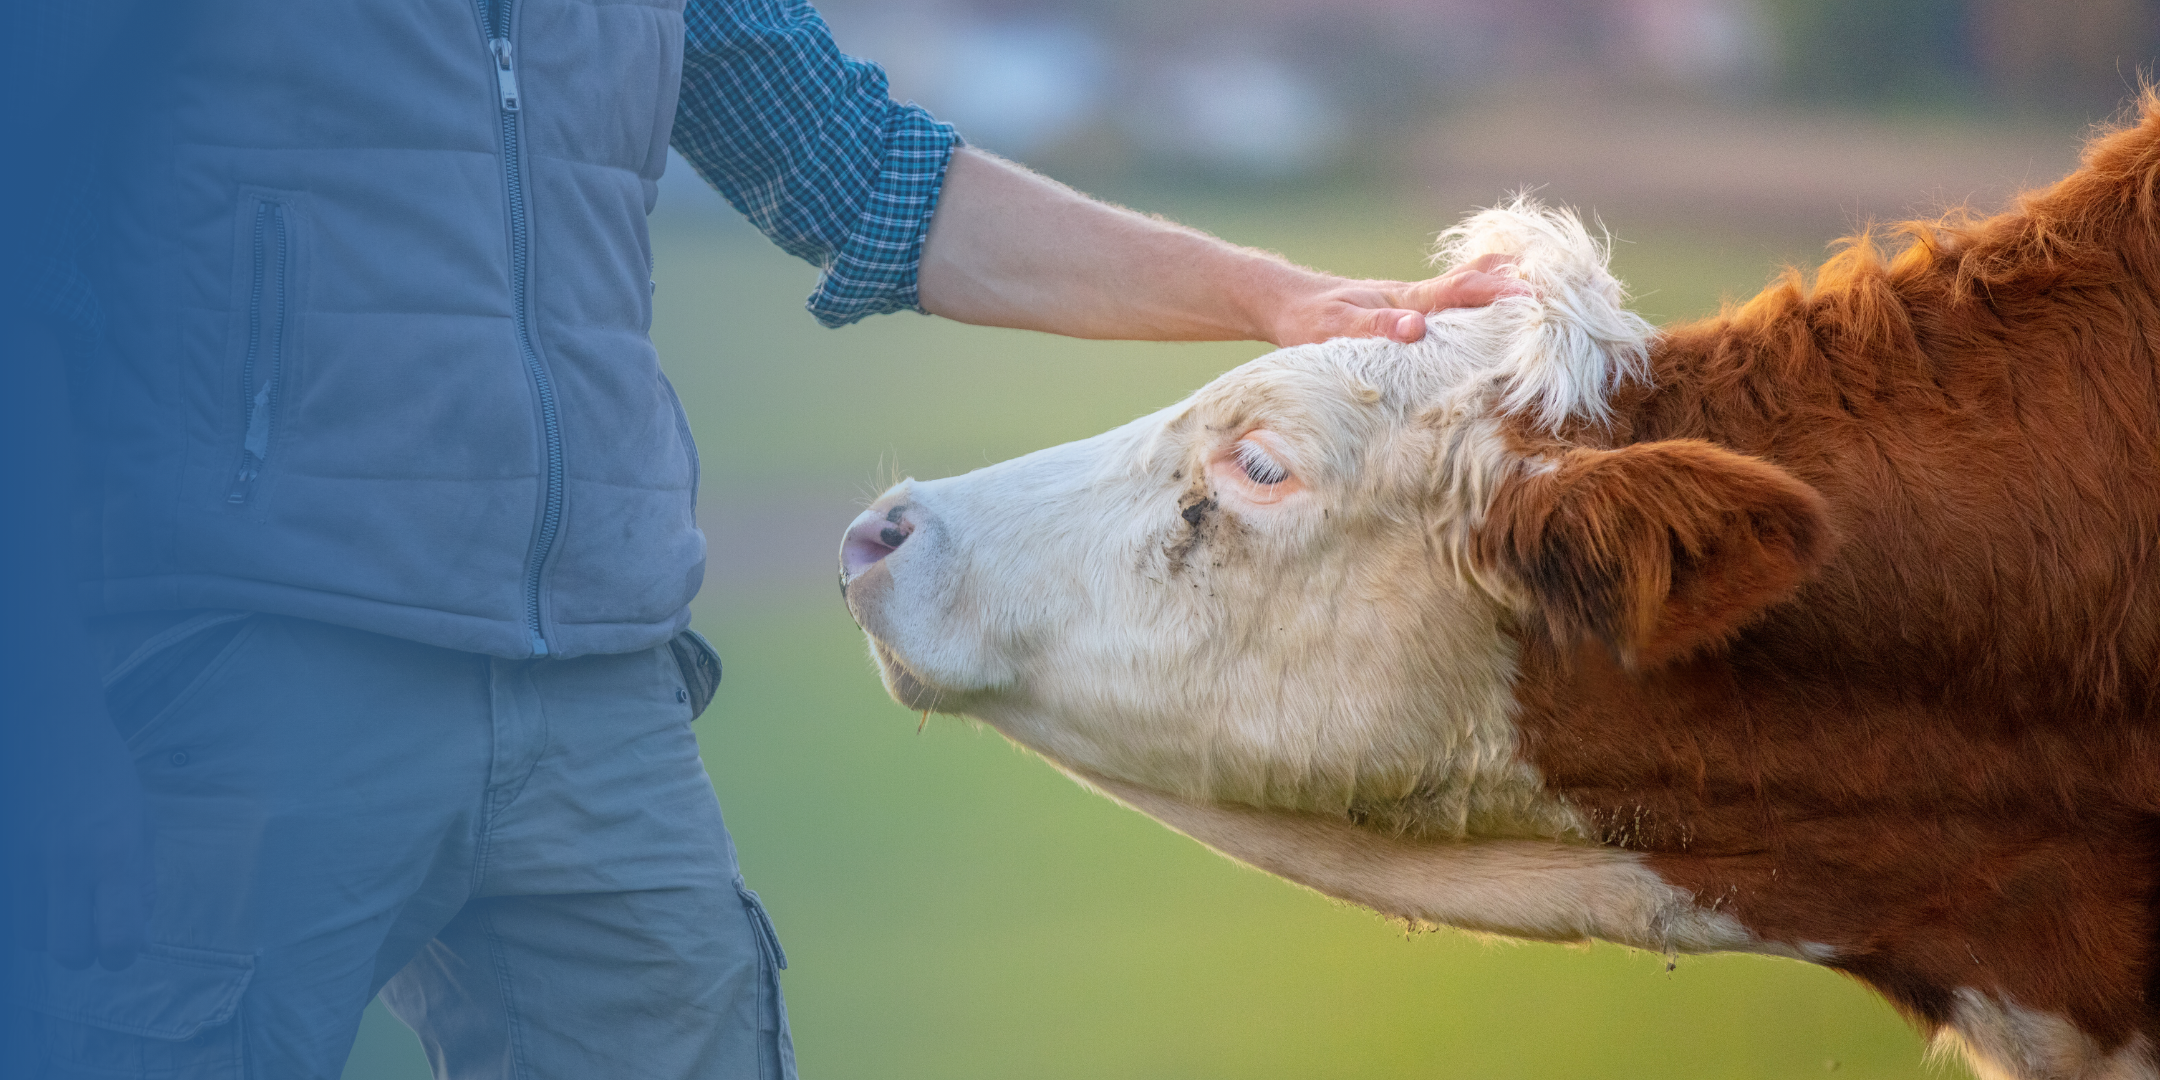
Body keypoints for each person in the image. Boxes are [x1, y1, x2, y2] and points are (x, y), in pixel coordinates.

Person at [10, 0, 1523, 1077]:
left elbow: (866, 175)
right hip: (251, 669)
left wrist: (1273, 300)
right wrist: (46, 722)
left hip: (599, 694)